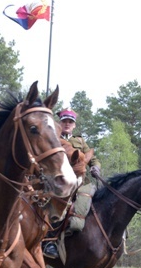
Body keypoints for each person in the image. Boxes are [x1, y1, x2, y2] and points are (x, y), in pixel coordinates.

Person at [43, 108, 102, 259]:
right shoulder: (53, 137)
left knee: (99, 203)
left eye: (70, 122)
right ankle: (48, 241)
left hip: (80, 181)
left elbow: (93, 159)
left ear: (74, 125)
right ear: (60, 123)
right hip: (59, 181)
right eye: (64, 121)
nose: (67, 124)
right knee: (53, 207)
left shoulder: (80, 141)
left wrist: (96, 167)